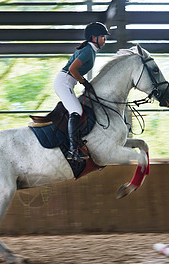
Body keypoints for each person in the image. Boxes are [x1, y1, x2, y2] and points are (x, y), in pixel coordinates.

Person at [53, 22, 110, 162]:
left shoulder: (90, 50)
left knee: (78, 110)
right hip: (64, 81)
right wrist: (84, 82)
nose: (105, 39)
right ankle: (73, 150)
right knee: (76, 111)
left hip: (67, 82)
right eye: (102, 36)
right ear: (94, 37)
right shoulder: (87, 51)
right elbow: (73, 69)